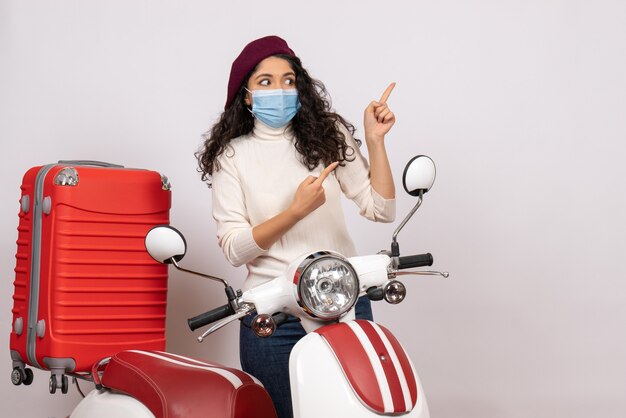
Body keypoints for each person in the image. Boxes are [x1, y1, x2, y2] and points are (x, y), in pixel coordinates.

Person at [196, 35, 397, 418]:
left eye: (288, 80)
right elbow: (234, 247)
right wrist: (295, 211)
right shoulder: (232, 157)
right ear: (247, 96)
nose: (280, 90)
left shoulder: (328, 135)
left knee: (362, 409)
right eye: (266, 82)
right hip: (272, 310)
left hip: (342, 299)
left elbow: (381, 209)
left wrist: (375, 141)